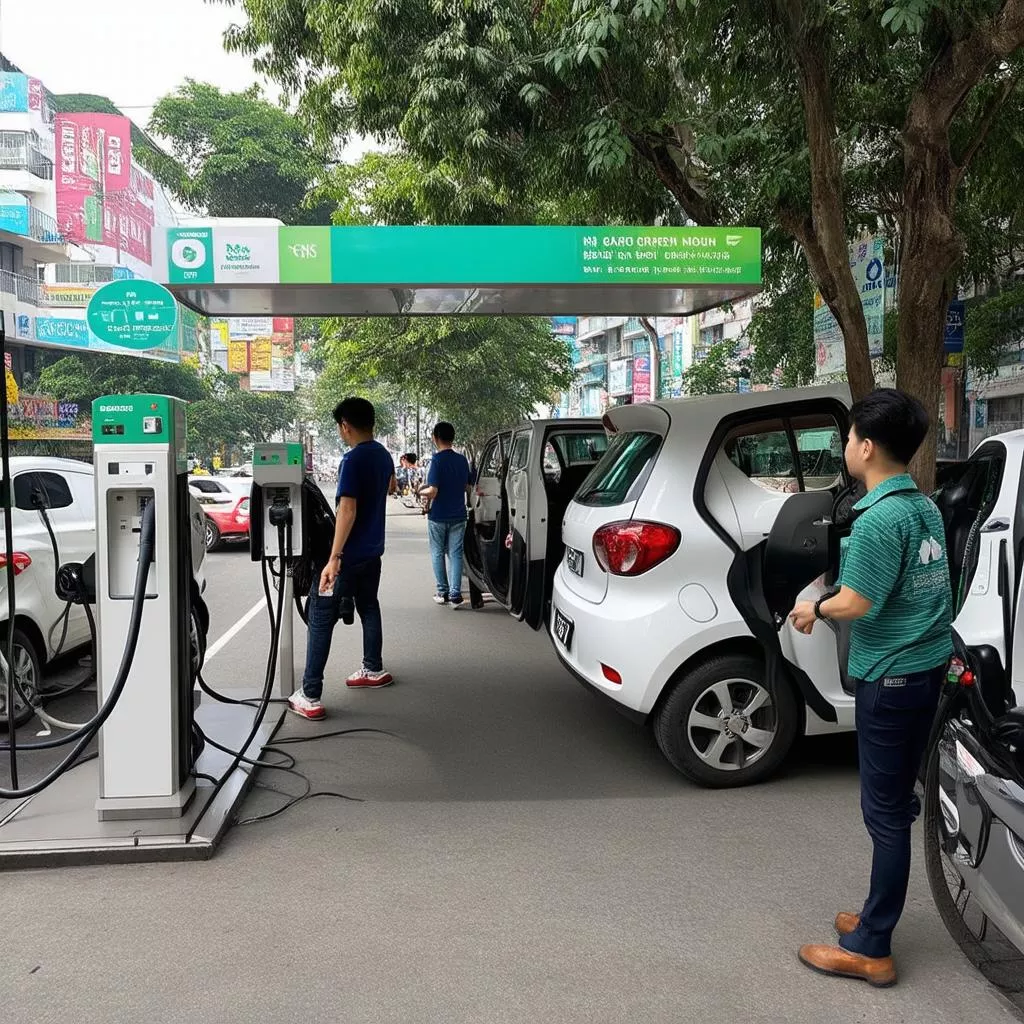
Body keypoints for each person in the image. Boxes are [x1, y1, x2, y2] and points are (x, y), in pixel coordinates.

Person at [789, 389, 953, 987]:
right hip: (928, 667)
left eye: (850, 437)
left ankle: (872, 945)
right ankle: (874, 917)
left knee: (884, 815)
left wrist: (814, 610)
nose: (847, 446)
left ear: (864, 444)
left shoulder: (880, 519)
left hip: (893, 674)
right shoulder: (922, 507)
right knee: (895, 808)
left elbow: (858, 600)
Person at [288, 397, 397, 721]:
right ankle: (373, 669)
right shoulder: (383, 455)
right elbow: (390, 488)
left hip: (347, 557)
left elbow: (347, 510)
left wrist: (334, 558)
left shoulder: (352, 460)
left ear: (345, 426)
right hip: (372, 554)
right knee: (368, 607)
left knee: (320, 618)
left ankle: (310, 694)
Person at [419, 422, 472, 607]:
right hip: (459, 514)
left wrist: (420, 491)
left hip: (439, 516)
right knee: (456, 554)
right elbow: (468, 487)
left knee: (437, 552)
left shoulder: (437, 460)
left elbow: (433, 491)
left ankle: (443, 592)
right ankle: (456, 595)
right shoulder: (462, 460)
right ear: (453, 438)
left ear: (435, 438)